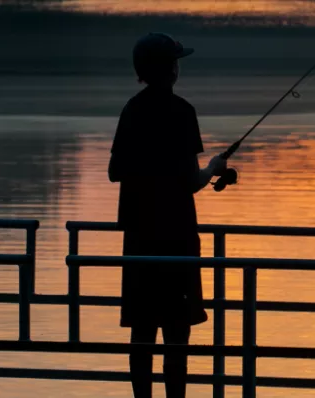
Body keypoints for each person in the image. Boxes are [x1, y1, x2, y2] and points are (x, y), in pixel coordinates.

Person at [108, 32, 227, 398]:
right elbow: (191, 181)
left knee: (141, 333)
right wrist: (213, 168)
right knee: (177, 334)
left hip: (140, 238)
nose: (178, 67)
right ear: (170, 70)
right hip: (177, 238)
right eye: (175, 61)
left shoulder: (132, 108)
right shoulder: (181, 111)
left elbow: (115, 172)